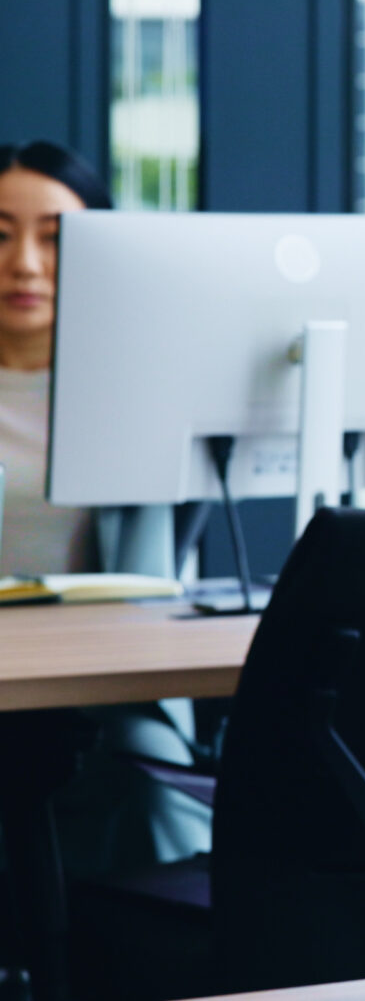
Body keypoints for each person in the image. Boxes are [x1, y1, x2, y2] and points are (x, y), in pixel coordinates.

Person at [0, 140, 210, 875]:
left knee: (157, 799)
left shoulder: (138, 395)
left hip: (103, 693)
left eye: (56, 240)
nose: (24, 263)